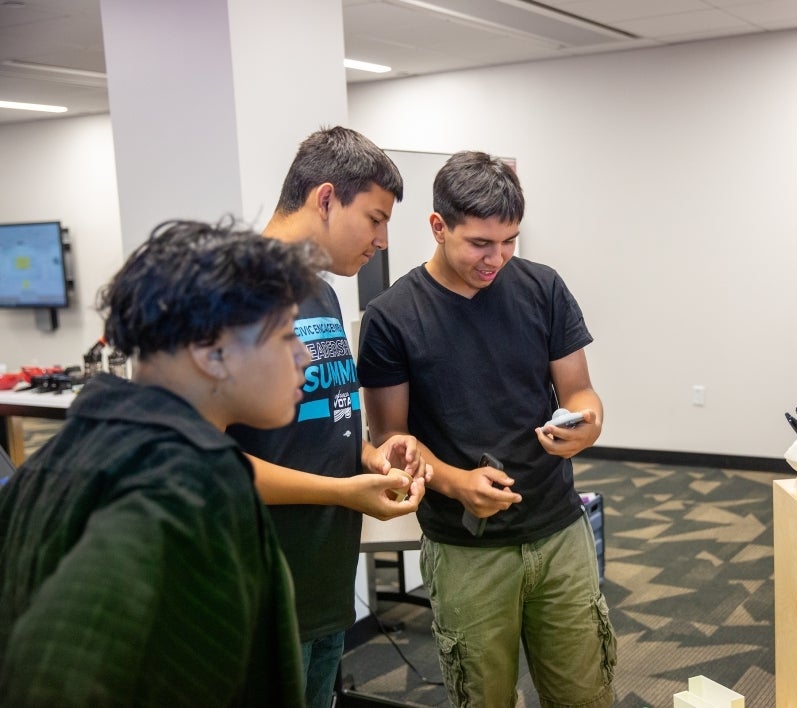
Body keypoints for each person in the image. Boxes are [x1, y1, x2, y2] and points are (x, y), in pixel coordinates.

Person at [0, 218, 323, 706]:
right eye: (284, 336)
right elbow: (52, 674)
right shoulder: (186, 482)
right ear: (210, 353)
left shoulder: (65, 454)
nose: (304, 357)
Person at [357, 151, 617, 707]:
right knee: (485, 698)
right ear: (437, 226)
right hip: (465, 548)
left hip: (558, 529)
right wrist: (455, 483)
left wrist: (587, 423)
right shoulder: (393, 316)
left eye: (510, 241)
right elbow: (390, 439)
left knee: (586, 694)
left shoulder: (542, 288)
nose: (496, 258)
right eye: (480, 243)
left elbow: (578, 391)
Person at [226, 126, 429, 708]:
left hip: (321, 583)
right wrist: (343, 492)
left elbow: (311, 425)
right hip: (259, 592)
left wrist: (368, 456)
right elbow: (206, 463)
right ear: (324, 199)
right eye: (374, 218)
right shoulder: (235, 293)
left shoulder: (321, 292)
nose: (383, 240)